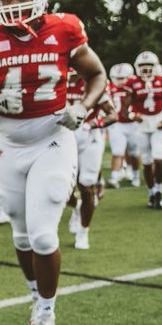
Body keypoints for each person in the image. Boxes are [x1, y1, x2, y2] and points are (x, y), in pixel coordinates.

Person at [0, 0, 106, 325]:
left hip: (52, 139)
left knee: (43, 235)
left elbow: (96, 75)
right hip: (8, 145)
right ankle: (35, 299)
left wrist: (84, 107)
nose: (16, 3)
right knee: (21, 236)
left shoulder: (64, 27)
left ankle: (47, 315)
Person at [64, 68, 115, 249]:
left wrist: (93, 124)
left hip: (89, 138)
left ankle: (84, 231)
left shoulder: (92, 84)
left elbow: (112, 114)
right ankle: (76, 207)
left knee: (86, 185)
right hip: (64, 139)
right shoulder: (54, 83)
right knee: (61, 188)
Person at [123, 52, 162, 209]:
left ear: (156, 66)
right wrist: (133, 115)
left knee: (158, 159)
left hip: (158, 122)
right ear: (137, 68)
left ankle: (159, 190)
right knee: (146, 162)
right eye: (142, 67)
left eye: (149, 66)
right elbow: (125, 108)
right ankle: (151, 192)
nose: (146, 70)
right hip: (142, 125)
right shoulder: (132, 82)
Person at [106, 62, 141, 187]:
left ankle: (136, 175)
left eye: (122, 78)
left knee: (134, 154)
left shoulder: (135, 88)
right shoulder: (109, 88)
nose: (119, 81)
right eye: (117, 78)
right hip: (117, 124)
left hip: (133, 124)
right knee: (117, 152)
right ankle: (114, 177)